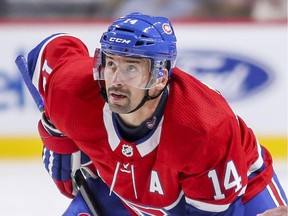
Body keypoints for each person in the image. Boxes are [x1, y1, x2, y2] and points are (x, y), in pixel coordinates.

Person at [25, 12, 287, 215]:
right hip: (125, 191)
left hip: (237, 189)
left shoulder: (204, 129)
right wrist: (56, 135)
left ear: (160, 78)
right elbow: (51, 49)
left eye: (131, 68)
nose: (115, 80)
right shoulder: (73, 89)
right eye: (111, 63)